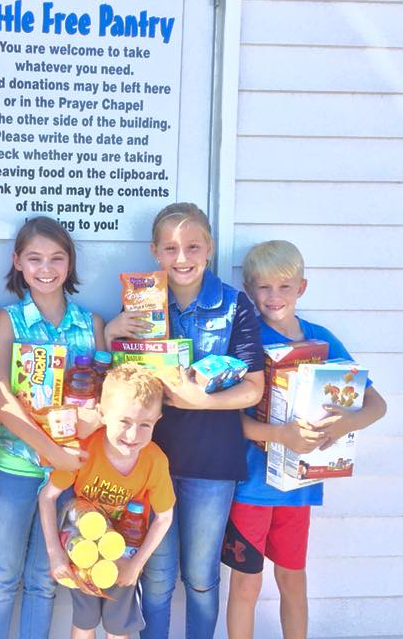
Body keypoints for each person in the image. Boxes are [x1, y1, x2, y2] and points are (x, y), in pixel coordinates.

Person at [105, 202, 265, 639]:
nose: (182, 258)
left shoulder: (235, 305)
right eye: (171, 248)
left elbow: (254, 387)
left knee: (199, 577)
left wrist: (198, 400)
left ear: (209, 249)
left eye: (192, 246)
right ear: (155, 251)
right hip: (150, 461)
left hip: (212, 462)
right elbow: (122, 379)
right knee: (155, 578)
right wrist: (111, 334)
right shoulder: (140, 300)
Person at [224, 240, 387, 639]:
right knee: (246, 584)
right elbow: (231, 422)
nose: (274, 296)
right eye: (263, 287)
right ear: (248, 289)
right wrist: (279, 434)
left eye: (284, 286)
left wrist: (342, 425)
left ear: (302, 287)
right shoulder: (244, 339)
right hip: (252, 487)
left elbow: (376, 403)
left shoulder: (322, 339)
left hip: (300, 489)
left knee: (293, 580)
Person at [0, 216, 107, 639]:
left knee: (46, 578)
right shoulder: (9, 321)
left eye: (56, 257)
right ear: (17, 262)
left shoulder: (91, 325)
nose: (46, 268)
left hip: (70, 472)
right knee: (2, 577)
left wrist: (77, 436)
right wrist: (49, 449)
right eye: (34, 258)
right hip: (15, 466)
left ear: (69, 263)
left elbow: (108, 397)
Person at [38, 364, 176, 639]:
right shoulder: (85, 448)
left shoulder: (155, 460)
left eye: (145, 425)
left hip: (125, 553)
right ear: (102, 414)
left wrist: (136, 565)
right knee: (85, 620)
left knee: (118, 625)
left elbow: (164, 516)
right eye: (124, 422)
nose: (133, 435)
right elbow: (47, 496)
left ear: (157, 420)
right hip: (83, 551)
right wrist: (55, 553)